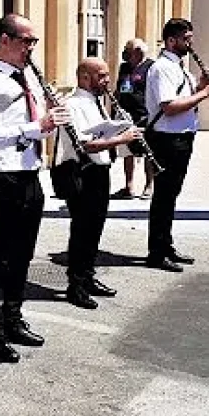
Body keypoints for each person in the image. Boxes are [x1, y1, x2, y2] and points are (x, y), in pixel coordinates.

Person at [0, 14, 69, 363]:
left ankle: (13, 317)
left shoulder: (29, 80)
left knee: (23, 254)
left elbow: (36, 128)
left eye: (33, 42)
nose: (31, 48)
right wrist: (34, 127)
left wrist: (50, 122)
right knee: (0, 256)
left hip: (28, 173)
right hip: (2, 177)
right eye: (26, 41)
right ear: (5, 40)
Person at [54, 57, 142, 310]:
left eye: (106, 75)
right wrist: (120, 138)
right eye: (101, 76)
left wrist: (120, 129)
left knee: (95, 229)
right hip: (82, 172)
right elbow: (84, 144)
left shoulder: (96, 101)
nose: (106, 80)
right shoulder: (73, 104)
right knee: (82, 231)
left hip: (100, 171)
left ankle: (88, 277)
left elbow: (100, 134)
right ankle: (76, 286)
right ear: (84, 77)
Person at [144, 18, 209, 272]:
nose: (190, 43)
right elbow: (169, 107)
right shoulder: (162, 68)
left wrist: (199, 85)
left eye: (190, 38)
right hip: (167, 140)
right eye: (185, 39)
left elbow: (187, 99)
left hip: (182, 138)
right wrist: (206, 92)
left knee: (171, 196)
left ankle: (166, 245)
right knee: (163, 197)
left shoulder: (180, 68)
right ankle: (156, 252)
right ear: (171, 40)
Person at [112, 38, 156, 200]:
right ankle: (129, 186)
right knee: (126, 150)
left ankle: (149, 185)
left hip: (145, 114)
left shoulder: (151, 67)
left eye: (128, 50)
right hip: (125, 114)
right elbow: (119, 88)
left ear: (138, 52)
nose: (125, 54)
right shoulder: (125, 67)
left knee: (147, 151)